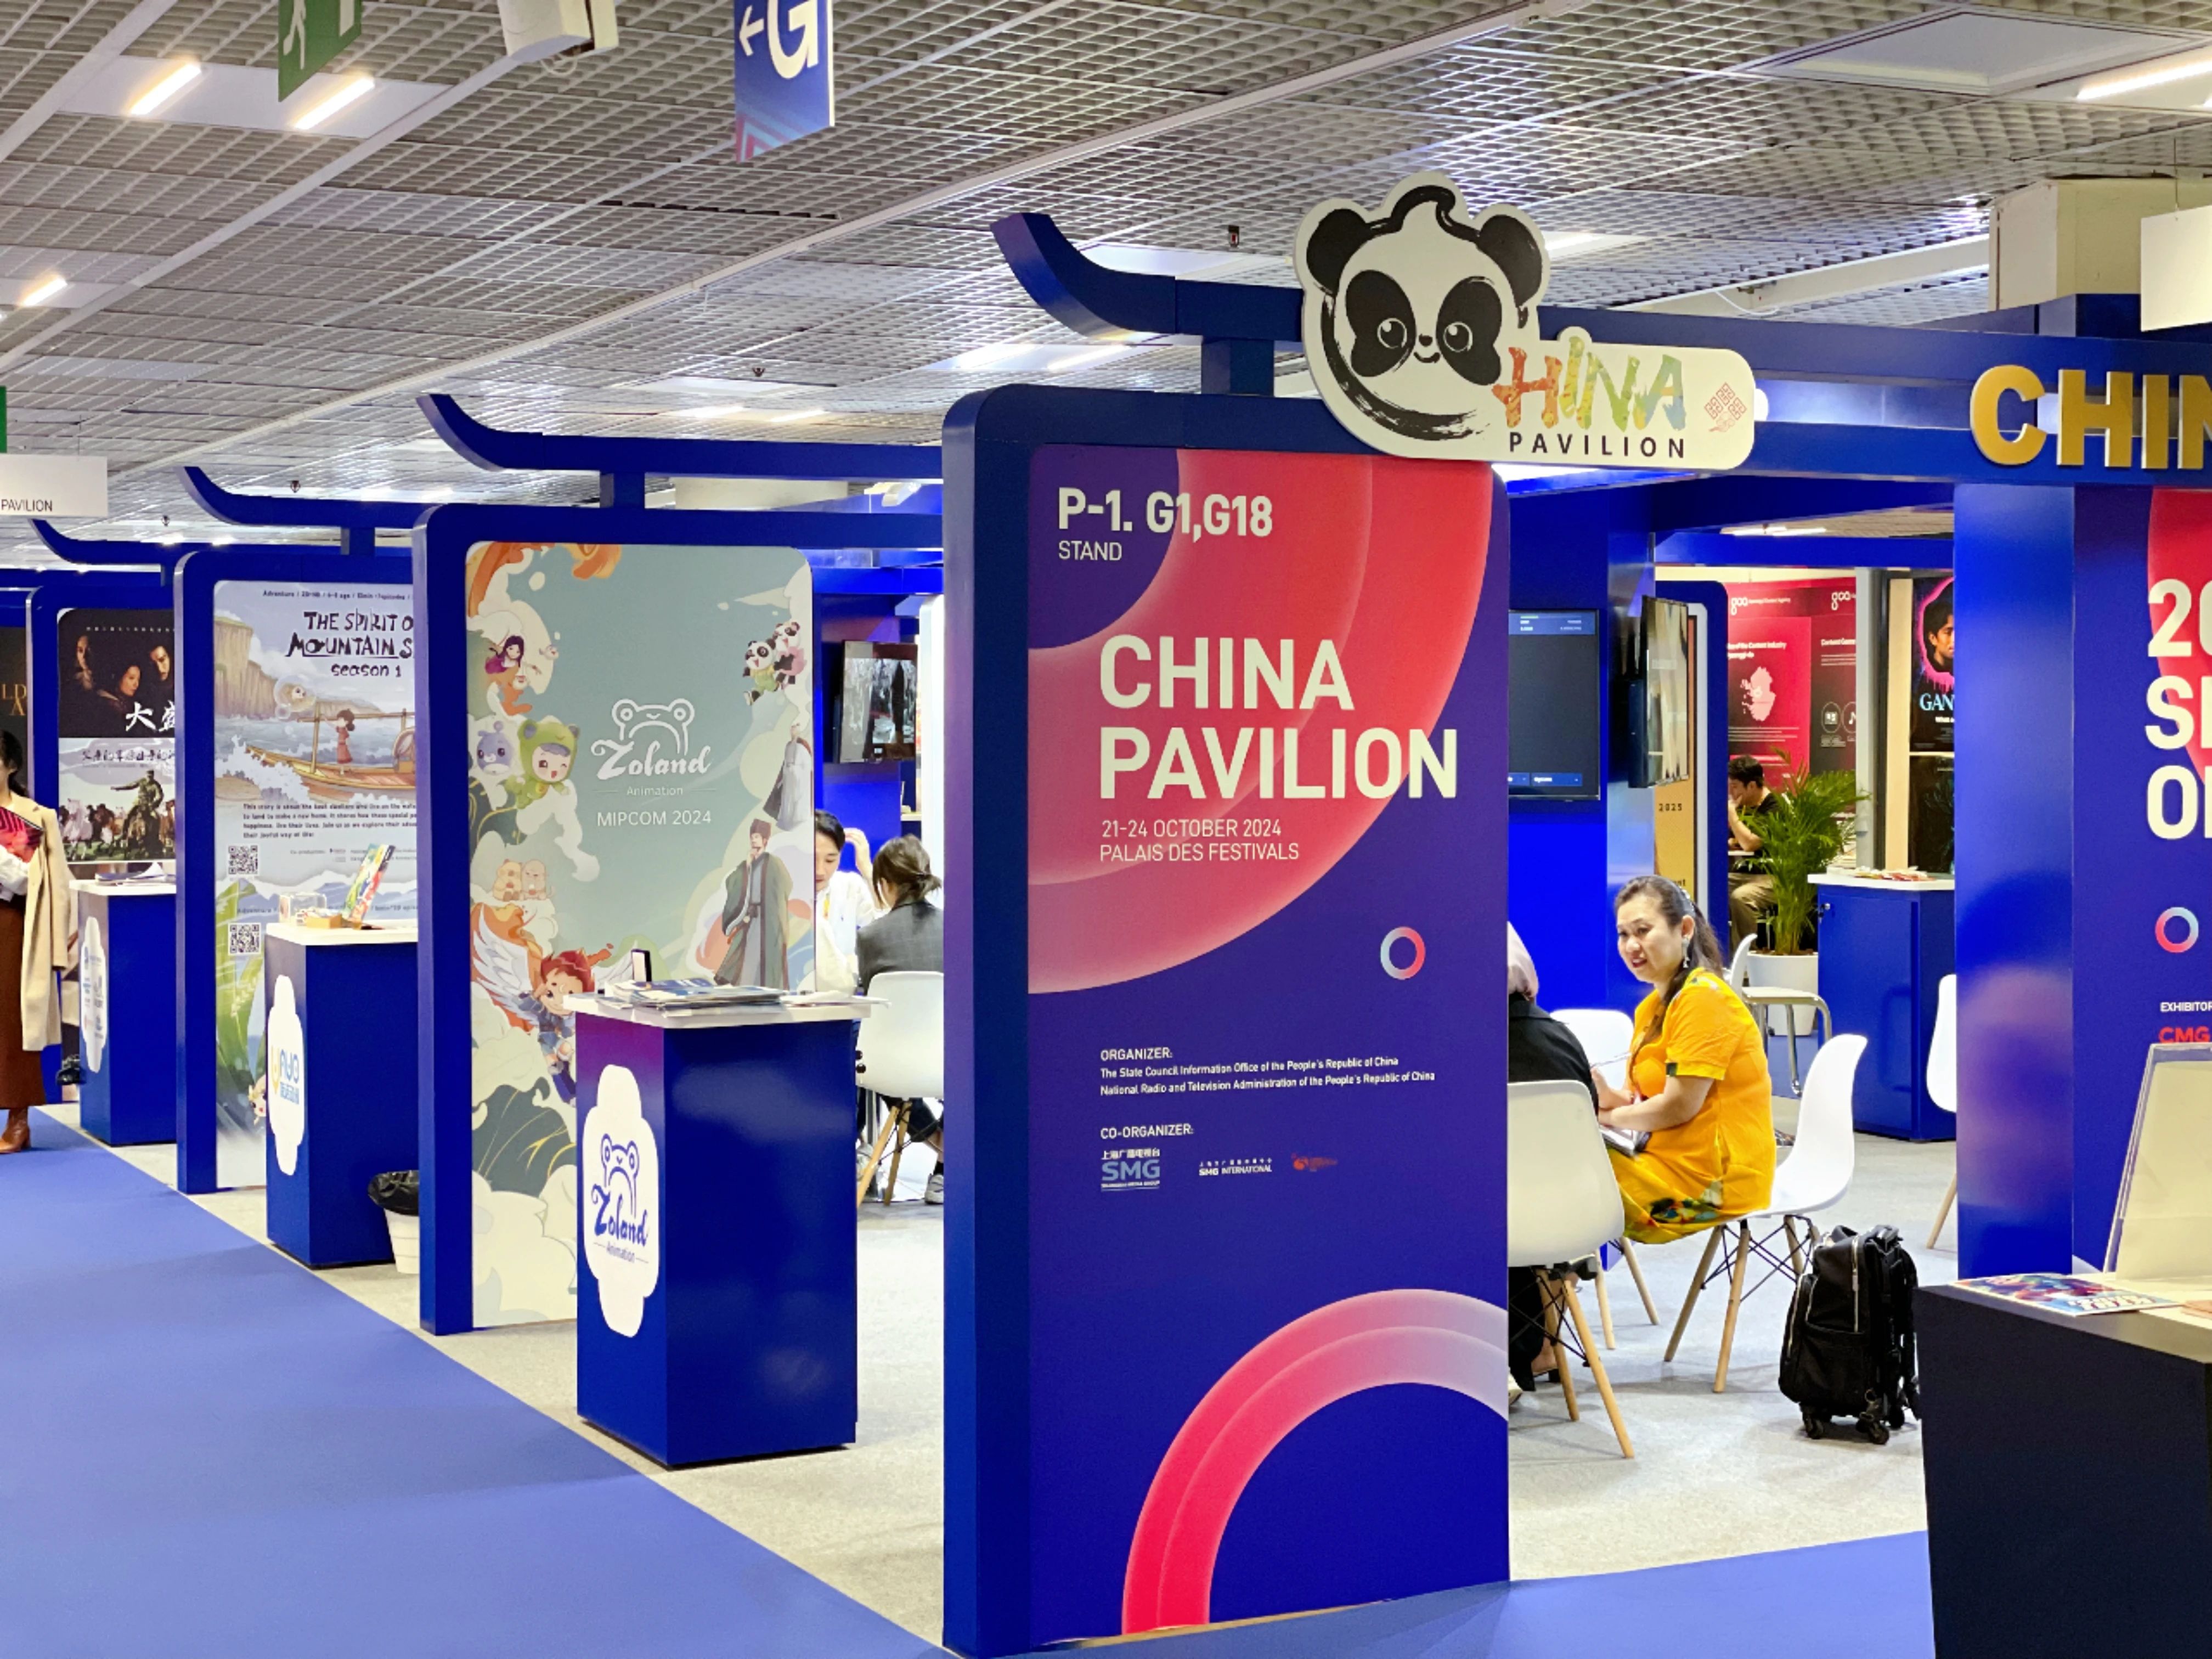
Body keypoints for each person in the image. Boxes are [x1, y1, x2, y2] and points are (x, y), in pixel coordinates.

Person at [1594, 876, 1773, 1244]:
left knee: (1568, 1171)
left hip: (1713, 1185)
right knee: (1555, 1167)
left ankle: (1550, 1279)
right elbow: (1646, 1100)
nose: (1631, 946)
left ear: (1685, 929)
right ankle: (1555, 1279)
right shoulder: (1652, 1009)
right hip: (1665, 1162)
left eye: (1643, 931)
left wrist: (1605, 1118)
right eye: (1623, 934)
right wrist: (1608, 1097)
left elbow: (1677, 1107)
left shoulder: (1703, 999)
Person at [1504, 923, 1600, 1397]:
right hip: (1575, 1218)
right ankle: (1540, 1350)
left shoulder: (1453, 1049)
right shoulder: (1561, 1037)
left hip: (1500, 1228)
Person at [856, 837, 945, 1202]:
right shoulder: (957, 929)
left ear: (885, 884)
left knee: (867, 1058)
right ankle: (946, 1165)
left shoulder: (870, 937)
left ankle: (938, 1143)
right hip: (948, 1062)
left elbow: (868, 997)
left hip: (888, 1065)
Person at [0, 732, 73, 1154]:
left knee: (14, 1021)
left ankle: (19, 1119)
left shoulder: (36, 816)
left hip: (13, 925)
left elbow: (48, 883)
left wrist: (62, 938)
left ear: (11, 766)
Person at [715, 818, 792, 989]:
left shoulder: (774, 863)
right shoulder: (747, 864)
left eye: (757, 837)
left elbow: (785, 886)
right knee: (747, 959)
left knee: (766, 961)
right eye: (752, 837)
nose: (754, 840)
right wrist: (748, 868)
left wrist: (774, 912)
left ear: (765, 840)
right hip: (751, 920)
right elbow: (732, 882)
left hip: (769, 921)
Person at [811, 809, 877, 995]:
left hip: (842, 996)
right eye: (812, 859)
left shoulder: (850, 886)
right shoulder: (783, 891)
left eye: (830, 860)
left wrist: (867, 870)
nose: (820, 871)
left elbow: (883, 929)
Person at [1725, 757, 1776, 951]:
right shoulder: (1745, 806)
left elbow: (1750, 843)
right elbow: (1735, 840)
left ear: (1752, 785)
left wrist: (1732, 815)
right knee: (1712, 885)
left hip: (1773, 877)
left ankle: (1746, 956)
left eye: (1735, 787)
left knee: (1741, 898)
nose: (1731, 793)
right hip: (1746, 873)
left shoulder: (1774, 807)